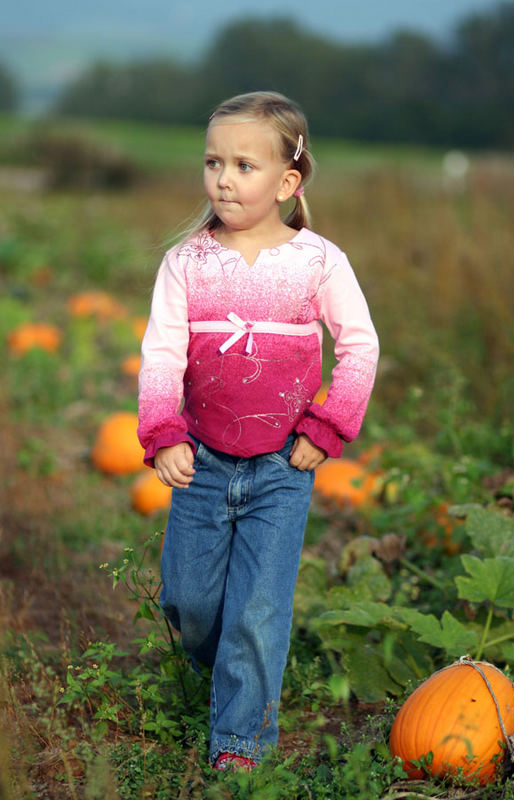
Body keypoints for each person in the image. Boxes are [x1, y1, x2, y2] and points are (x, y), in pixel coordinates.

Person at [137, 90, 379, 771]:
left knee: (256, 611)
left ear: (286, 182)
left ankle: (240, 744)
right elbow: (160, 353)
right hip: (203, 461)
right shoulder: (187, 262)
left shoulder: (318, 263)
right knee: (189, 604)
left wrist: (328, 424)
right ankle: (231, 672)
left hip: (282, 467)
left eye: (244, 165)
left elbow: (358, 346)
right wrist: (164, 431)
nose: (222, 178)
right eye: (213, 161)